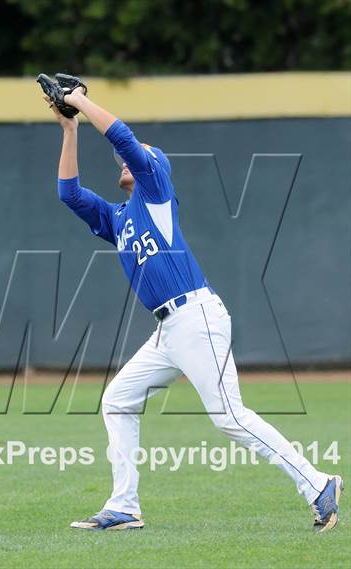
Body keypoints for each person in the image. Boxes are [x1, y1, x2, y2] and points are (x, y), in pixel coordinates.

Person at [41, 77, 342, 533]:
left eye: (136, 154)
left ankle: (317, 484)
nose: (125, 157)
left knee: (229, 416)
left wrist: (80, 99)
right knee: (118, 400)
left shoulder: (156, 191)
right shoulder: (119, 218)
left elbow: (122, 137)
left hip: (196, 316)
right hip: (167, 331)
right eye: (124, 157)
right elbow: (68, 195)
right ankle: (124, 505)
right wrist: (69, 128)